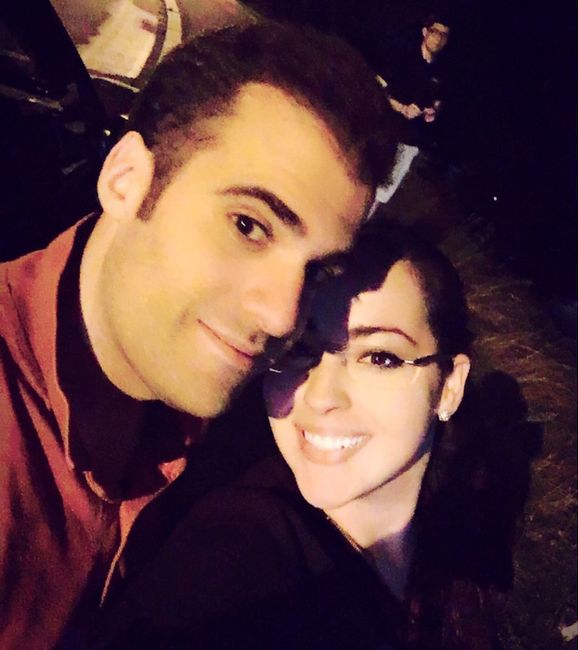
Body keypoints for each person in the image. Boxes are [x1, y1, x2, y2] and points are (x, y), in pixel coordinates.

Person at [0, 20, 398, 648]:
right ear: (126, 180)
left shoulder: (220, 423)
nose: (282, 316)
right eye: (248, 225)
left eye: (319, 270)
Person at [96, 222, 504, 649]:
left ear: (449, 386)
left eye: (379, 357)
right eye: (299, 351)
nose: (321, 396)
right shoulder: (233, 555)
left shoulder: (466, 534)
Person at [377, 15, 451, 203]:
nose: (438, 38)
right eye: (435, 32)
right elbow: (377, 86)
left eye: (444, 35)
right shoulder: (403, 57)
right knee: (365, 176)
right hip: (385, 129)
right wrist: (401, 108)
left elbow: (438, 102)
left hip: (409, 141)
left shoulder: (441, 71)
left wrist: (432, 112)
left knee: (383, 192)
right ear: (425, 32)